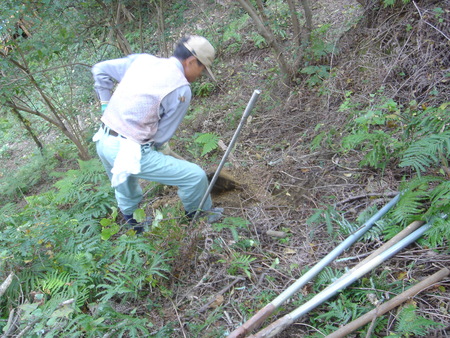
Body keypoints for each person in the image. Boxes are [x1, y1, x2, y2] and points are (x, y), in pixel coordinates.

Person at [92, 35, 223, 233]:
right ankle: (201, 219)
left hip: (103, 140)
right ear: (190, 61)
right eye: (202, 69)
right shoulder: (180, 89)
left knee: (126, 186)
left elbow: (100, 70)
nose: (200, 75)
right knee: (195, 177)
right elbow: (161, 137)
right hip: (130, 150)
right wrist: (161, 146)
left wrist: (105, 105)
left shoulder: (143, 61)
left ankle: (136, 229)